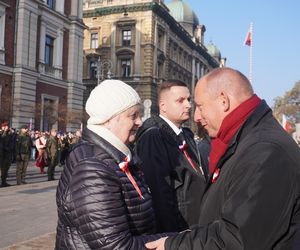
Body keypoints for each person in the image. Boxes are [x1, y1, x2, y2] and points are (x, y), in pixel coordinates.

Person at [145, 67, 300, 250]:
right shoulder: (248, 141)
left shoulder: (265, 151)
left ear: (223, 101)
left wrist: (175, 245)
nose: (195, 116)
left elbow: (238, 239)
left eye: (200, 107)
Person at [55, 79, 170, 249]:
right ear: (109, 119)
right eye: (133, 115)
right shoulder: (92, 168)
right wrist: (175, 242)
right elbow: (115, 246)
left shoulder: (116, 157)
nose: (139, 121)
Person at [135, 80, 208, 233]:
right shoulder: (154, 136)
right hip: (180, 230)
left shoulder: (185, 134)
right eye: (180, 101)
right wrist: (172, 238)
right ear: (163, 106)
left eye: (188, 99)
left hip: (196, 226)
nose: (188, 105)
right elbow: (159, 192)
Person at [0, 122, 13, 187]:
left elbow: (11, 143)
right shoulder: (1, 133)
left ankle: (4, 182)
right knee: (1, 169)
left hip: (7, 155)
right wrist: (3, 131)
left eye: (7, 126)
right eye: (5, 126)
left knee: (5, 169)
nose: (7, 128)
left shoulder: (9, 134)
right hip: (1, 154)